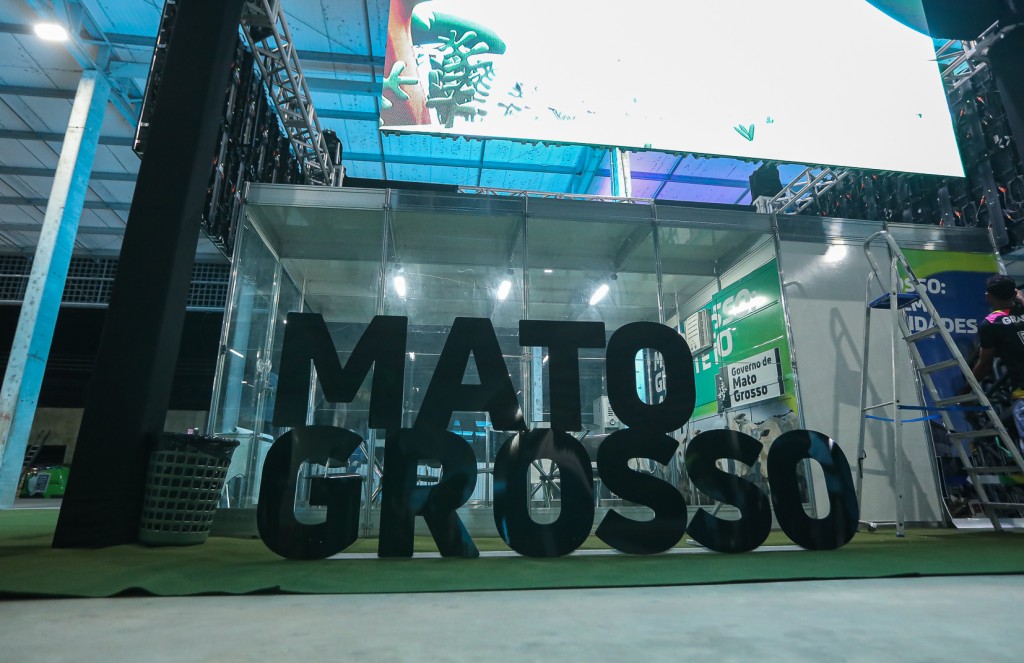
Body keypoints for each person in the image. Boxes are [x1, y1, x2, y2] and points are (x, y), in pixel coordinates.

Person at [971, 274, 1024, 444]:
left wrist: (966, 388)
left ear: (988, 296)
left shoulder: (990, 324)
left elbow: (984, 364)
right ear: (1014, 293)